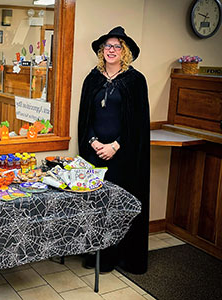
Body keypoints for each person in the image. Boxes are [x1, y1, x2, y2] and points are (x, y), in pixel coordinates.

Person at [78, 26, 150, 274]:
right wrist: (94, 142)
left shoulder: (135, 81)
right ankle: (99, 256)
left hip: (123, 157)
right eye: (107, 46)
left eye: (117, 46)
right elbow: (84, 119)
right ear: (101, 51)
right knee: (97, 206)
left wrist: (115, 146)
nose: (111, 50)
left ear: (125, 51)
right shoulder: (92, 79)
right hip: (93, 154)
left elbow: (138, 123)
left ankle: (121, 256)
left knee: (118, 206)